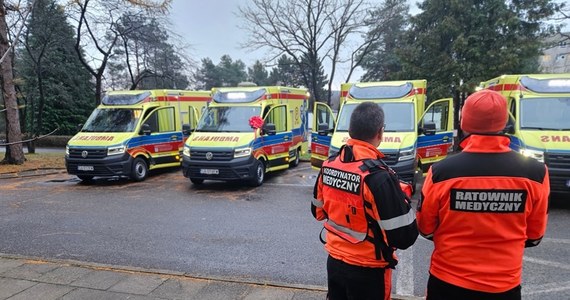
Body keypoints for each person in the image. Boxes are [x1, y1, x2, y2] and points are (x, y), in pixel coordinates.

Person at [417, 89, 550, 300]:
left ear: (464, 123)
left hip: (448, 282)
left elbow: (425, 228)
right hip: (504, 286)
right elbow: (534, 236)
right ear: (504, 122)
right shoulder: (535, 173)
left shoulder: (442, 171)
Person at [312, 101, 418, 300]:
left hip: (335, 261)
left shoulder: (329, 165)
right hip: (368, 270)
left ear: (351, 130)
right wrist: (401, 198)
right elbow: (404, 236)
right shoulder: (378, 177)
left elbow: (317, 211)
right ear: (380, 132)